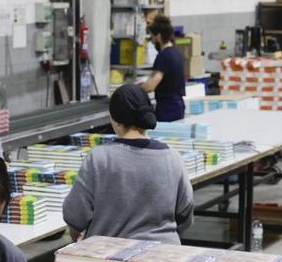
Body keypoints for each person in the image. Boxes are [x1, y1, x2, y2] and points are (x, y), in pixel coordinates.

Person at [62, 84, 194, 244]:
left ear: (115, 120)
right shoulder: (172, 157)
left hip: (110, 258)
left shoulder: (99, 158)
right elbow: (185, 215)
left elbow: (75, 216)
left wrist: (77, 236)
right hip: (162, 257)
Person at [139, 14, 186, 122]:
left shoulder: (164, 55)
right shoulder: (176, 52)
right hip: (177, 105)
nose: (152, 41)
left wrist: (133, 91)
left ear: (159, 36)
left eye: (152, 37)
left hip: (167, 108)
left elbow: (151, 86)